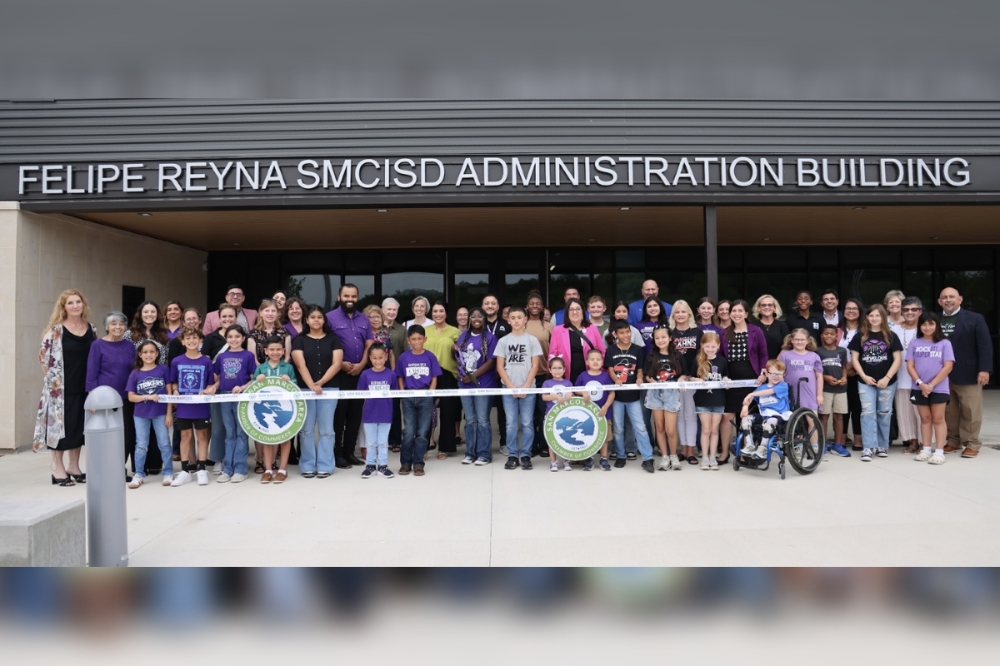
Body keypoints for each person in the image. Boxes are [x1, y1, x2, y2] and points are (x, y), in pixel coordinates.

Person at [34, 290, 96, 486]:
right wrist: (55, 384)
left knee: (78, 428)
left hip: (83, 388)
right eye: (71, 303)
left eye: (79, 302)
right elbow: (43, 360)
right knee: (59, 430)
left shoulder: (91, 329)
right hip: (60, 392)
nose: (76, 306)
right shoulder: (55, 331)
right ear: (64, 307)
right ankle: (58, 470)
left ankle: (74, 467)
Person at [938, 287, 992, 458]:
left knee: (971, 410)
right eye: (944, 297)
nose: (948, 300)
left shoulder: (975, 319)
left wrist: (984, 369)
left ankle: (972, 443)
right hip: (941, 375)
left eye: (952, 297)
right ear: (940, 301)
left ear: (960, 299)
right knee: (949, 411)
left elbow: (984, 346)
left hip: (968, 372)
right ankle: (953, 441)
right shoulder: (935, 319)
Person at [291, 305, 343, 478]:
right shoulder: (299, 340)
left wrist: (320, 382)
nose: (316, 320)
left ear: (324, 320)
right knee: (306, 430)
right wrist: (311, 385)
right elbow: (300, 364)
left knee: (327, 429)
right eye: (312, 317)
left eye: (319, 317)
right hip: (305, 390)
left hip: (329, 388)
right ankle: (307, 464)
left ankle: (325, 465)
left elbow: (337, 363)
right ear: (307, 320)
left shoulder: (333, 339)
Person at [86, 311, 140, 476]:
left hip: (127, 397)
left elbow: (135, 369)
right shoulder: (98, 345)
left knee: (128, 435)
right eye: (113, 323)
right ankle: (112, 470)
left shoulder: (129, 345)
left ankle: (127, 467)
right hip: (106, 400)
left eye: (121, 324)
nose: (118, 327)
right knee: (110, 437)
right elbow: (91, 371)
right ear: (107, 327)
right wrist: (93, 399)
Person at [849, 304, 903, 462]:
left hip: (887, 382)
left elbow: (898, 359)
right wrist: (864, 376)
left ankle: (882, 445)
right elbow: (854, 359)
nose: (874, 318)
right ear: (867, 317)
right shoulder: (860, 336)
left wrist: (887, 378)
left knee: (884, 413)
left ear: (883, 317)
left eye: (877, 316)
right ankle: (868, 447)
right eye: (871, 315)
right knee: (867, 413)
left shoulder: (891, 336)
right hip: (866, 382)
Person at [327, 283, 373, 468]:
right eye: (346, 296)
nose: (350, 300)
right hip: (339, 374)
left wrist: (362, 364)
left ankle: (349, 452)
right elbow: (326, 343)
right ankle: (337, 454)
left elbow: (369, 343)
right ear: (339, 297)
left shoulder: (364, 319)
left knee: (355, 415)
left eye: (353, 296)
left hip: (359, 375)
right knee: (339, 416)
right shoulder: (329, 318)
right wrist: (341, 364)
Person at [167, 326, 217, 487]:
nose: (191, 341)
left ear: (201, 341)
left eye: (195, 338)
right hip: (183, 406)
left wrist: (209, 389)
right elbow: (173, 380)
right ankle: (185, 471)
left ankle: (202, 469)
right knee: (185, 437)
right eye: (188, 338)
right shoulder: (177, 361)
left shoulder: (206, 361)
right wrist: (174, 390)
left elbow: (210, 382)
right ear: (182, 341)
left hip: (201, 406)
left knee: (202, 436)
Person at [720, 300, 769, 463]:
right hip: (731, 379)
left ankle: (745, 452)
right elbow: (720, 357)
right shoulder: (724, 333)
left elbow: (763, 353)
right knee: (727, 415)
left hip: (752, 378)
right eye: (734, 311)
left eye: (740, 311)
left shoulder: (756, 331)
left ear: (746, 314)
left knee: (746, 416)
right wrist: (722, 375)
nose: (736, 314)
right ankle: (725, 452)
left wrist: (763, 370)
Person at [495, 306, 543, 471]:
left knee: (528, 423)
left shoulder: (532, 340)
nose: (516, 320)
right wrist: (511, 386)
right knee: (511, 424)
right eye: (512, 317)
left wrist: (526, 386)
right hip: (509, 389)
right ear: (508, 320)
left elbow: (536, 365)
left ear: (525, 320)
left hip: (528, 389)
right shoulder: (503, 341)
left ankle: (526, 455)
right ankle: (513, 455)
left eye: (519, 317)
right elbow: (500, 366)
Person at [248, 298, 292, 473]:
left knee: (276, 421)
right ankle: (260, 460)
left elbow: (286, 357)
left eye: (273, 311)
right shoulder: (253, 334)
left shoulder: (284, 333)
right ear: (261, 312)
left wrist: (278, 377)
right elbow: (253, 358)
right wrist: (263, 375)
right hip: (261, 379)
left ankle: (273, 461)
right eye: (267, 310)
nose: (270, 313)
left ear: (278, 313)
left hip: (280, 381)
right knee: (261, 421)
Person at [606, 320, 655, 473]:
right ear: (616, 334)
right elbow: (610, 370)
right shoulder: (611, 350)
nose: (626, 335)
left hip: (634, 397)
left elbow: (640, 369)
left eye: (628, 331)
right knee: (618, 428)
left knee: (640, 427)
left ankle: (648, 458)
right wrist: (616, 379)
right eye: (622, 332)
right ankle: (621, 455)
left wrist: (639, 378)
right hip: (617, 398)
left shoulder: (638, 349)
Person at [907, 312, 955, 465]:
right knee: (925, 419)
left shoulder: (945, 343)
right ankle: (926, 449)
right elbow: (910, 366)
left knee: (938, 419)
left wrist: (932, 385)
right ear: (919, 326)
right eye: (924, 324)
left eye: (931, 324)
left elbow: (948, 366)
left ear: (937, 325)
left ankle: (939, 452)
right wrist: (921, 383)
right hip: (919, 387)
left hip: (939, 388)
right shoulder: (914, 343)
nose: (927, 327)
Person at [126, 340, 174, 488]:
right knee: (141, 445)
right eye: (145, 352)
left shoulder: (163, 369)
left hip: (160, 413)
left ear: (157, 353)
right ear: (140, 354)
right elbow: (131, 397)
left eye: (152, 352)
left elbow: (169, 392)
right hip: (140, 414)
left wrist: (169, 413)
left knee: (164, 443)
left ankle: (168, 472)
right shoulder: (135, 373)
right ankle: (139, 474)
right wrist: (146, 397)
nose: (149, 355)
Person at [396, 324, 441, 476]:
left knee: (422, 432)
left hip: (425, 396)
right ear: (408, 340)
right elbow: (400, 377)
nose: (416, 342)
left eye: (419, 339)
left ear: (425, 339)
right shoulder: (404, 357)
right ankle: (405, 463)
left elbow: (434, 376)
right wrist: (402, 393)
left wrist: (431, 393)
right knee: (408, 431)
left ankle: (418, 463)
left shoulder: (430, 356)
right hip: (408, 396)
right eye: (413, 339)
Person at [455, 307, 498, 466]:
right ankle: (470, 453)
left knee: (483, 420)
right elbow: (459, 359)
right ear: (469, 319)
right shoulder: (463, 337)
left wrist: (472, 376)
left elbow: (491, 361)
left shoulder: (490, 337)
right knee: (471, 420)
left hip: (483, 384)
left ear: (484, 318)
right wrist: (461, 374)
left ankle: (484, 454)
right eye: (473, 316)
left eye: (480, 316)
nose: (476, 319)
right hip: (464, 385)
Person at [214, 324, 256, 483]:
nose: (234, 339)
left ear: (243, 338)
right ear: (226, 339)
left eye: (237, 336)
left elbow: (253, 378)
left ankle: (240, 468)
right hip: (225, 397)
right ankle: (227, 468)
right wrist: (213, 387)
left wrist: (242, 387)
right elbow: (218, 379)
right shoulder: (221, 357)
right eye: (230, 337)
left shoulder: (248, 356)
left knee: (241, 432)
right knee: (229, 433)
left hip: (242, 397)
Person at [253, 335, 297, 483]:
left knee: (284, 438)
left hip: (283, 409)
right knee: (268, 439)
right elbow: (253, 389)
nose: (275, 352)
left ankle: (283, 469)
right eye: (271, 349)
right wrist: (257, 380)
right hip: (266, 410)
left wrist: (289, 381)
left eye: (278, 349)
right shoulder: (261, 368)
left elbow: (295, 387)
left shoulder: (288, 367)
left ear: (284, 351)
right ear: (266, 351)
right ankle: (268, 469)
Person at [202, 303, 239, 474]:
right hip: (215, 387)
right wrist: (213, 383)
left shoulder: (239, 336)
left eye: (230, 316)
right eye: (224, 316)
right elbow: (208, 364)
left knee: (235, 426)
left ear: (236, 317)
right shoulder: (211, 338)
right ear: (219, 317)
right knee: (218, 426)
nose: (227, 319)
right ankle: (217, 459)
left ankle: (235, 458)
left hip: (236, 388)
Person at [643, 325, 685, 471]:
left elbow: (684, 373)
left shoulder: (678, 355)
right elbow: (646, 375)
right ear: (654, 340)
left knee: (670, 429)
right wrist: (651, 380)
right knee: (659, 427)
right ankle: (665, 456)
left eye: (663, 337)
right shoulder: (651, 355)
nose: (660, 340)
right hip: (655, 393)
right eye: (657, 338)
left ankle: (674, 456)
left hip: (672, 393)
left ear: (670, 338)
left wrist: (681, 380)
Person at [424, 301, 461, 459]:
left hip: (447, 374)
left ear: (446, 313)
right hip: (426, 374)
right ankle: (423, 447)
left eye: (441, 311)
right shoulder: (425, 330)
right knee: (425, 411)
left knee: (447, 411)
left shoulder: (455, 332)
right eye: (435, 311)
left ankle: (444, 448)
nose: (438, 314)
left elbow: (460, 355)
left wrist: (456, 349)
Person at [777, 329, 824, 453]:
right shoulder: (785, 355)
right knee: (795, 421)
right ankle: (798, 445)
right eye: (796, 339)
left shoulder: (814, 356)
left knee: (812, 420)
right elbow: (780, 373)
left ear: (808, 341)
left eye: (802, 339)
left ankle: (814, 447)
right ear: (791, 340)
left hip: (809, 394)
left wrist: (819, 395)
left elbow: (819, 376)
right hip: (791, 393)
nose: (799, 342)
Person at [668, 300, 702, 463]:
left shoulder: (697, 332)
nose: (680, 315)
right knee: (680, 415)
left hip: (692, 378)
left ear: (689, 313)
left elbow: (701, 357)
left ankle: (691, 450)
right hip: (675, 379)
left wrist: (696, 375)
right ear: (673, 315)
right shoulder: (670, 333)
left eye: (683, 311)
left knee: (690, 414)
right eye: (677, 312)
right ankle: (683, 449)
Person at [739, 359, 793, 460]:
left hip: (779, 415)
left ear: (783, 375)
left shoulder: (783, 386)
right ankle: (750, 445)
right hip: (764, 415)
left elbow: (769, 392)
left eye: (779, 374)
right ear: (767, 374)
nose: (776, 376)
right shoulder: (761, 387)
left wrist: (751, 393)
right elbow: (750, 399)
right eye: (773, 373)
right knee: (745, 419)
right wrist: (745, 407)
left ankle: (763, 448)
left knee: (770, 421)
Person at [357, 344, 396, 479]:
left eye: (380, 357)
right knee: (371, 442)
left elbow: (395, 393)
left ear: (386, 357)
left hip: (386, 413)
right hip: (369, 414)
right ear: (370, 358)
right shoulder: (365, 374)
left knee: (383, 442)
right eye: (374, 358)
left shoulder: (391, 374)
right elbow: (360, 393)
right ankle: (370, 465)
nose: (378, 361)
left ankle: (383, 466)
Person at [691, 332, 728, 469]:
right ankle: (705, 457)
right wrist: (696, 379)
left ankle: (713, 457)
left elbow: (725, 376)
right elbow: (690, 377)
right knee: (705, 430)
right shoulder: (697, 361)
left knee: (714, 430)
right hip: (702, 400)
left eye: (713, 347)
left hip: (718, 400)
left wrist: (725, 380)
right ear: (702, 346)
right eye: (707, 346)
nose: (710, 349)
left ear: (718, 346)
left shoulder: (722, 361)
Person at [891, 296, 923, 454]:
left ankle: (925, 442)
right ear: (901, 312)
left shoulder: (926, 328)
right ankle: (913, 442)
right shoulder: (894, 330)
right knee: (905, 413)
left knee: (922, 413)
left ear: (920, 311)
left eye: (914, 309)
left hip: (922, 379)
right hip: (901, 377)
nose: (910, 312)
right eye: (906, 310)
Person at [548, 297, 606, 384]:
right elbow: (552, 354)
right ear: (567, 312)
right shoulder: (558, 330)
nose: (575, 312)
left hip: (590, 373)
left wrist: (600, 371)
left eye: (578, 309)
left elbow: (601, 352)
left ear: (583, 311)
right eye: (571, 309)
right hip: (566, 375)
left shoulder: (592, 328)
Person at [576, 348, 615, 471]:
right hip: (587, 415)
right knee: (588, 436)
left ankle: (604, 458)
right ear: (587, 362)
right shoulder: (583, 375)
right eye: (592, 359)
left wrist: (605, 406)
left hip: (603, 413)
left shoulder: (606, 376)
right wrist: (583, 393)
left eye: (598, 359)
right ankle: (589, 458)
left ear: (602, 361)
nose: (595, 362)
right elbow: (575, 390)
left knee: (603, 436)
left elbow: (611, 393)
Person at [526, 290, 555, 454]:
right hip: (526, 375)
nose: (535, 306)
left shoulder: (550, 327)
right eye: (532, 304)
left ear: (542, 306)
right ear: (527, 306)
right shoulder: (521, 324)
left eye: (538, 304)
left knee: (543, 411)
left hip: (545, 374)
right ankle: (531, 445)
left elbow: (555, 350)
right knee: (528, 414)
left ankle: (544, 445)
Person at [817, 324, 851, 457]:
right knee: (824, 416)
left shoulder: (842, 350)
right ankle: (822, 443)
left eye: (832, 334)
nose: (829, 336)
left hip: (840, 389)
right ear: (822, 336)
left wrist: (844, 377)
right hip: (825, 389)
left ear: (837, 336)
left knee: (839, 416)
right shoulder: (818, 351)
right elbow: (817, 370)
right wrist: (825, 377)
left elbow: (844, 367)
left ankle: (838, 445)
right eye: (826, 333)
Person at [483, 294, 511, 451]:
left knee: (503, 409)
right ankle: (483, 444)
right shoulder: (478, 325)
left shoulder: (506, 326)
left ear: (498, 307)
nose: (490, 306)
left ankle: (504, 442)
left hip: (502, 373)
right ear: (483, 306)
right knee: (483, 411)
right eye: (487, 303)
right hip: (483, 375)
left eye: (493, 303)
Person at [381, 297, 407, 452]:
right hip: (375, 373)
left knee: (394, 408)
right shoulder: (376, 327)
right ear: (382, 310)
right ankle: (380, 440)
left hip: (394, 374)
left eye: (394, 310)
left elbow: (405, 353)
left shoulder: (402, 329)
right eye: (388, 309)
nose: (391, 312)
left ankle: (395, 441)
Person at [839, 299, 864, 450]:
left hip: (860, 373)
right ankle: (841, 438)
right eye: (848, 308)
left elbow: (867, 350)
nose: (851, 311)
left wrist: (853, 367)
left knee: (857, 407)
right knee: (842, 407)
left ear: (860, 311)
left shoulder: (866, 329)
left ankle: (858, 439)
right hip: (840, 374)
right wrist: (845, 369)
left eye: (854, 308)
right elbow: (831, 350)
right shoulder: (837, 330)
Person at [541, 357, 574, 472]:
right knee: (552, 439)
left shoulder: (568, 383)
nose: (557, 370)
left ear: (564, 369)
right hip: (551, 415)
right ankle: (553, 462)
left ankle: (566, 460)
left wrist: (571, 394)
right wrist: (555, 396)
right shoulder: (547, 383)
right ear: (549, 370)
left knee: (565, 438)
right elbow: (544, 397)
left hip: (564, 416)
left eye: (560, 368)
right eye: (554, 368)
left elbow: (572, 396)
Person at [752, 294, 791, 360]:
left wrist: (775, 363)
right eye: (763, 305)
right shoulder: (753, 327)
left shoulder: (782, 325)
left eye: (770, 305)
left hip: (779, 365)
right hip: (759, 366)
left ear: (774, 308)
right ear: (759, 308)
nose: (767, 307)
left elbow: (787, 346)